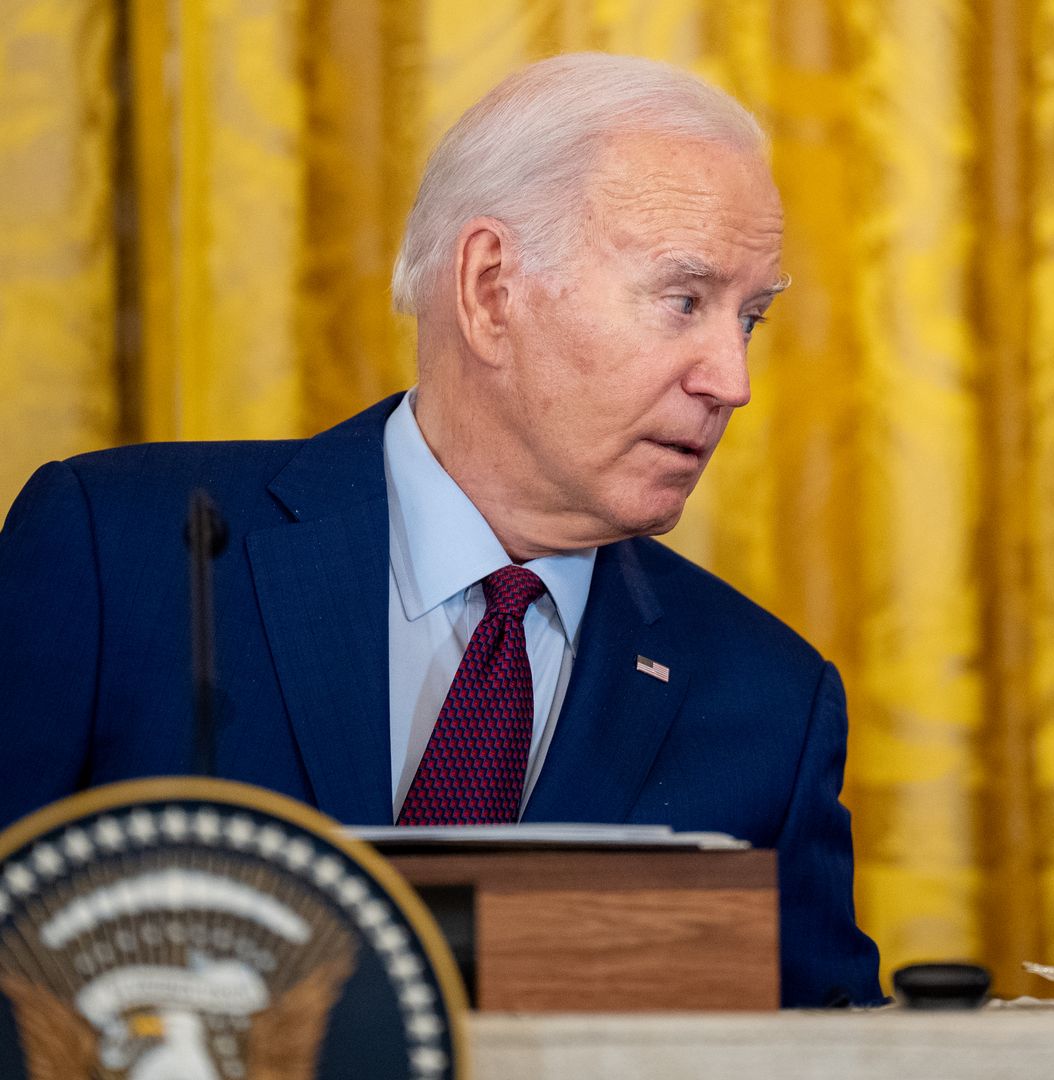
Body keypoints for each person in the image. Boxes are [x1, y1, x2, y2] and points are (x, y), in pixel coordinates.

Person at [0, 53, 880, 1008]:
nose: (731, 380)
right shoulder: (118, 551)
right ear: (492, 286)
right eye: (684, 301)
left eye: (749, 318)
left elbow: (827, 1049)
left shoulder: (769, 702)